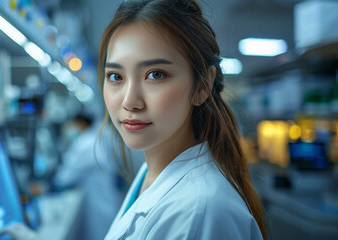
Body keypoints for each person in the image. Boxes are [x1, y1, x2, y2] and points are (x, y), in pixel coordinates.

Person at [98, 0, 267, 239]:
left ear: (203, 85)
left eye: (155, 75)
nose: (129, 101)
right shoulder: (153, 172)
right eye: (115, 76)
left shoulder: (201, 212)